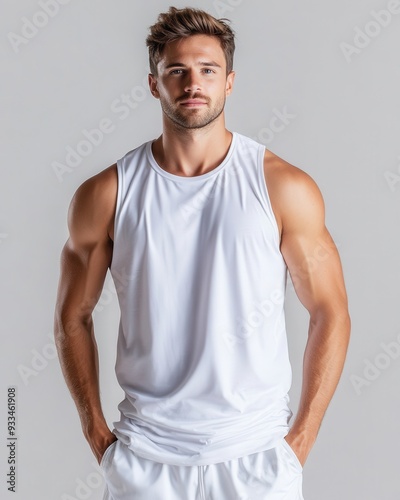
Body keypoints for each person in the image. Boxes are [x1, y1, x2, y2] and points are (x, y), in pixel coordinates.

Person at [54, 6, 351, 500]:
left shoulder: (282, 186)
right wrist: (97, 435)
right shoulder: (107, 194)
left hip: (256, 458)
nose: (193, 83)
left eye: (208, 70)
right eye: (177, 71)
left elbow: (331, 311)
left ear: (229, 82)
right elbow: (71, 316)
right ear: (154, 84)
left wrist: (300, 440)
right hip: (145, 461)